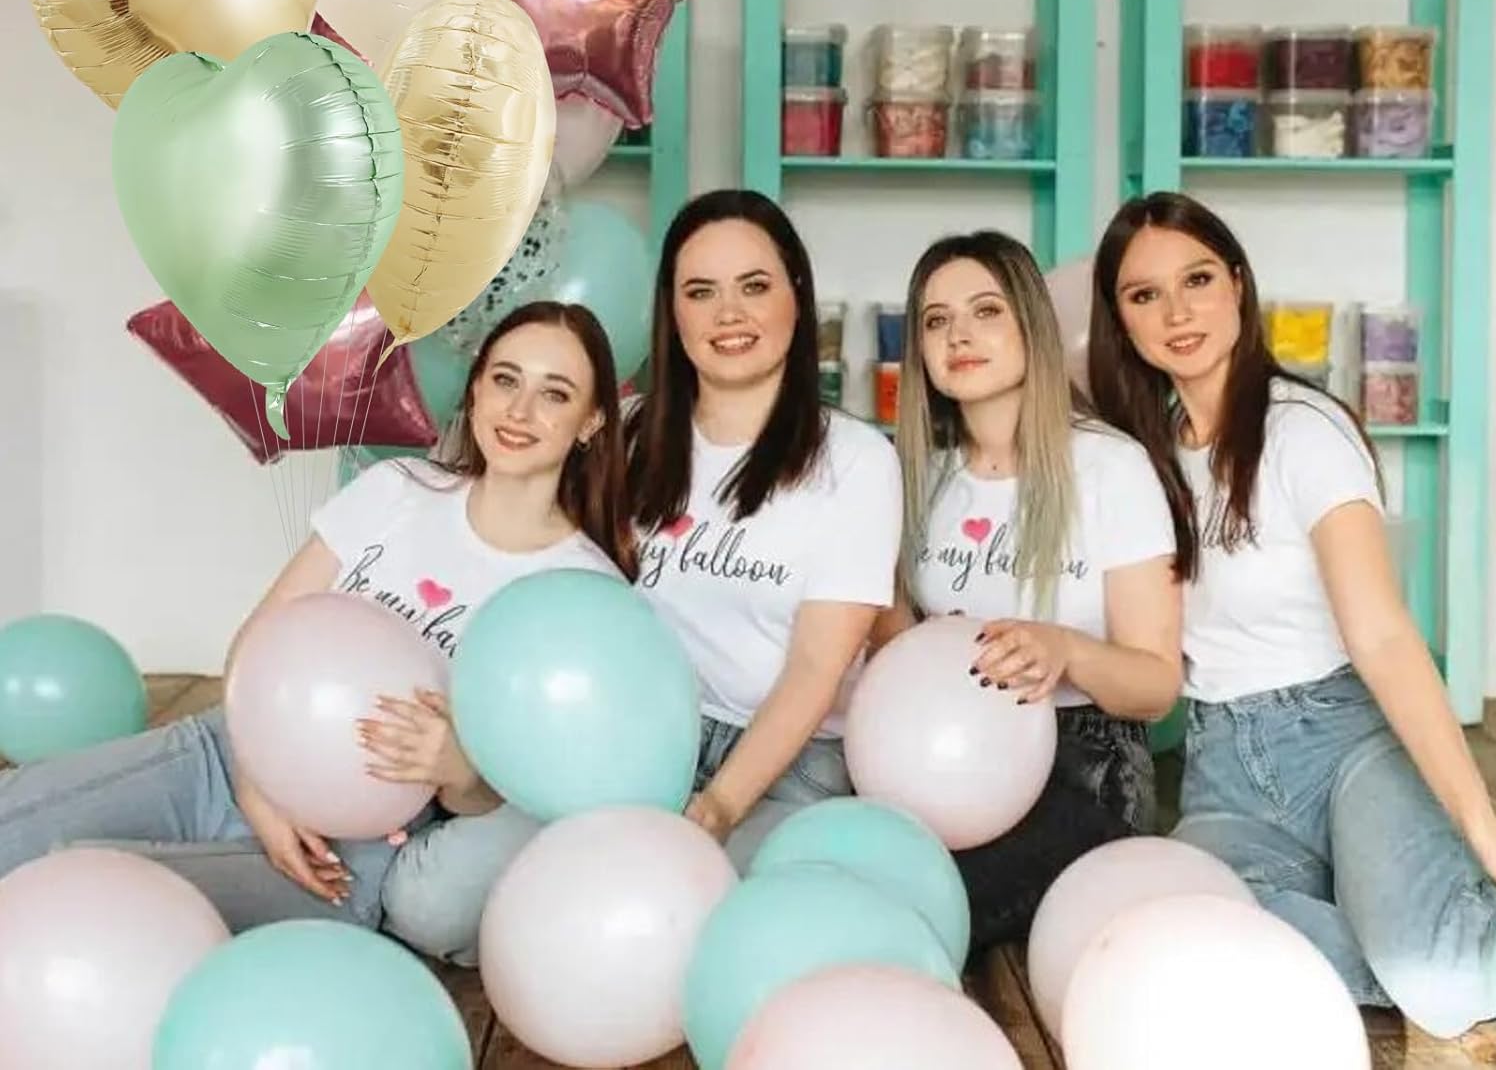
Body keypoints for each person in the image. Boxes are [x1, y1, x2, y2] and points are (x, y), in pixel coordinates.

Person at [0, 301, 632, 938]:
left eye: (555, 394)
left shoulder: (584, 591)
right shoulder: (399, 488)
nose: (519, 411)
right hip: (225, 757)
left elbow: (508, 793)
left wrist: (460, 770)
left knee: (79, 896)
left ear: (591, 421)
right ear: (476, 389)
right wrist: (256, 790)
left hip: (348, 853)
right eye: (505, 379)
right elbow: (259, 638)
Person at [1089, 190, 1496, 1039]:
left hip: (1346, 738)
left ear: (1239, 284)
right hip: (1222, 768)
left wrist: (1482, 826)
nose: (1177, 312)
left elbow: (1383, 636)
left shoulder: (1303, 431)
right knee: (1191, 936)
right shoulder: (1141, 459)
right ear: (1119, 319)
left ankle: (1425, 926)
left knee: (1444, 988)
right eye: (1143, 295)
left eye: (1198, 279)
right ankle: (1397, 913)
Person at [873, 231, 1181, 952]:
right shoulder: (915, 474)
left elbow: (1156, 686)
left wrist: (1064, 649)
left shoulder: (1111, 468)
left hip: (1084, 765)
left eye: (986, 311)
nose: (959, 335)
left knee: (921, 911)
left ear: (1032, 327)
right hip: (941, 759)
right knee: (864, 878)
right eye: (937, 320)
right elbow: (890, 645)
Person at [630, 188, 903, 867]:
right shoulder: (628, 435)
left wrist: (719, 806)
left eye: (754, 286)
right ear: (672, 313)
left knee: (718, 898)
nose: (729, 314)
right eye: (700, 292)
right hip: (645, 740)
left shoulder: (858, 460)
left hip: (791, 761)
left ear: (797, 298)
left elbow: (816, 667)